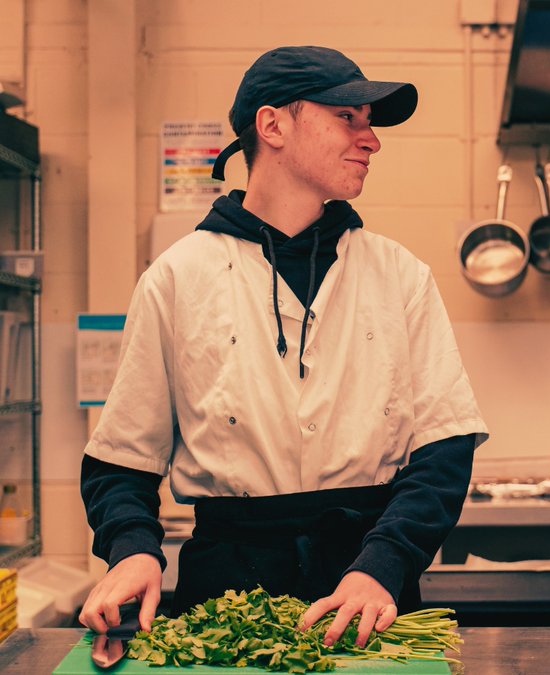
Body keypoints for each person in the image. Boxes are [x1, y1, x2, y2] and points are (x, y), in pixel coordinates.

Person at [78, 46, 488, 648]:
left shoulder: (400, 275)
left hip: (367, 593)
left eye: (369, 123)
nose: (371, 140)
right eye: (348, 117)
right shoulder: (178, 277)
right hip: (225, 592)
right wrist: (133, 550)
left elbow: (443, 449)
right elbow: (121, 461)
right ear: (273, 126)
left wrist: (384, 565)